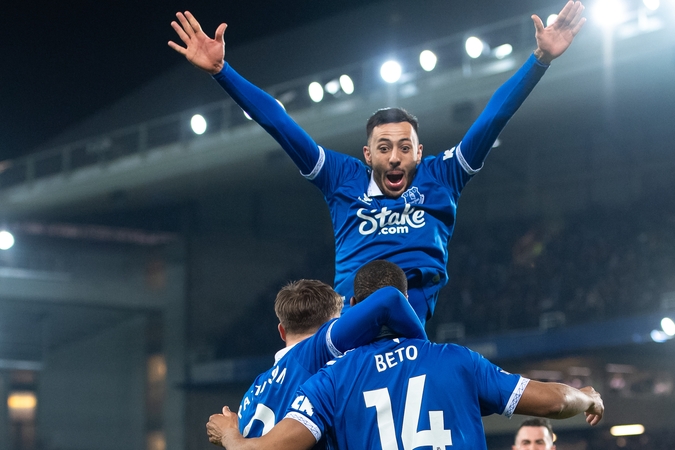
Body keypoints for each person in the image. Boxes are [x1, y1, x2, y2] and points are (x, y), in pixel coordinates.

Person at [169, 1, 587, 324]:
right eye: (384, 147)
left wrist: (540, 61)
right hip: (349, 328)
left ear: (419, 153)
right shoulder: (340, 178)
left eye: (405, 147)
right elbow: (279, 121)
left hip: (411, 330)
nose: (395, 157)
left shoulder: (444, 176)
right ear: (367, 154)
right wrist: (222, 72)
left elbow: (494, 117)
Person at [206, 260, 604, 450]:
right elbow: (554, 402)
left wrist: (230, 435)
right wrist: (588, 395)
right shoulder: (456, 360)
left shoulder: (328, 380)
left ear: (354, 308)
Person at [235, 278, 425, 446]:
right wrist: (425, 353)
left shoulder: (250, 395)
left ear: (281, 331)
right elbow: (389, 299)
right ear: (333, 324)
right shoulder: (314, 352)